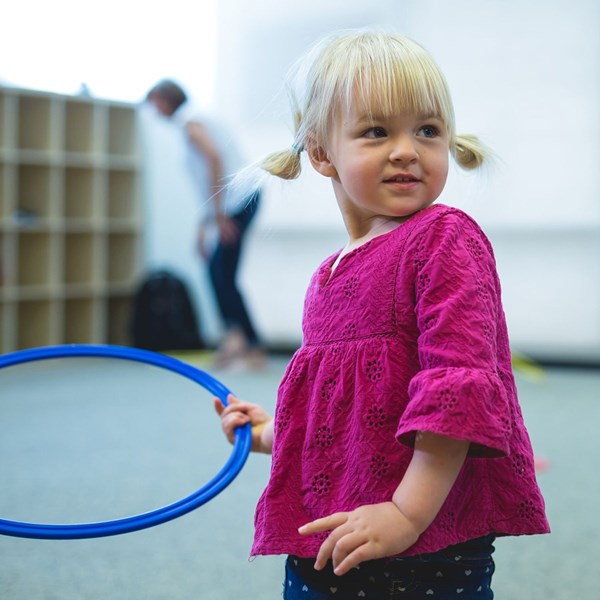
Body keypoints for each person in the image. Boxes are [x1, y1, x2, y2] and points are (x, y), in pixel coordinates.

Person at [214, 31, 550, 599]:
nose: (405, 149)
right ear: (321, 153)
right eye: (376, 132)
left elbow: (457, 390)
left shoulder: (444, 238)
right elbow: (347, 405)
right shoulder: (328, 273)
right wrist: (269, 431)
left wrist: (406, 513)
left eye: (427, 130)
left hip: (422, 543)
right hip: (331, 532)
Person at [146, 80, 266, 369]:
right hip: (234, 202)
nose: (152, 110)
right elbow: (205, 176)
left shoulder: (190, 122)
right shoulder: (193, 119)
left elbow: (214, 158)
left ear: (165, 100)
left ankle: (248, 344)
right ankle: (240, 341)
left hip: (238, 201)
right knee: (220, 273)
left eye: (154, 102)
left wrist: (221, 216)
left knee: (220, 273)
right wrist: (206, 225)